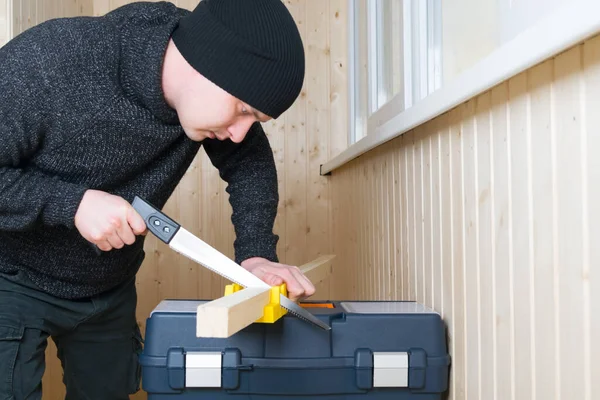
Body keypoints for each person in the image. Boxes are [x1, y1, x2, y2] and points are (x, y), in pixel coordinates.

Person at [0, 0, 314, 398]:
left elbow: (250, 165)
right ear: (206, 64)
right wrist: (71, 204)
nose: (240, 133)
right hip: (11, 278)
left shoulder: (211, 88)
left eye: (254, 121)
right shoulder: (49, 63)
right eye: (242, 111)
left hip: (107, 289)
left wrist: (255, 254)